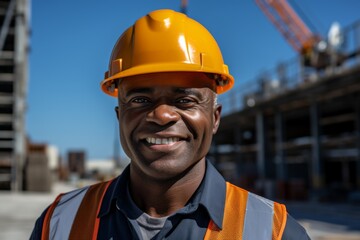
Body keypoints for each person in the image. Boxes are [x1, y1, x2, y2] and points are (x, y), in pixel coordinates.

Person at [31, 9, 310, 240]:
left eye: (185, 99)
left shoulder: (274, 232)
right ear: (120, 117)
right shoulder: (59, 223)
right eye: (140, 99)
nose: (162, 115)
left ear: (214, 118)